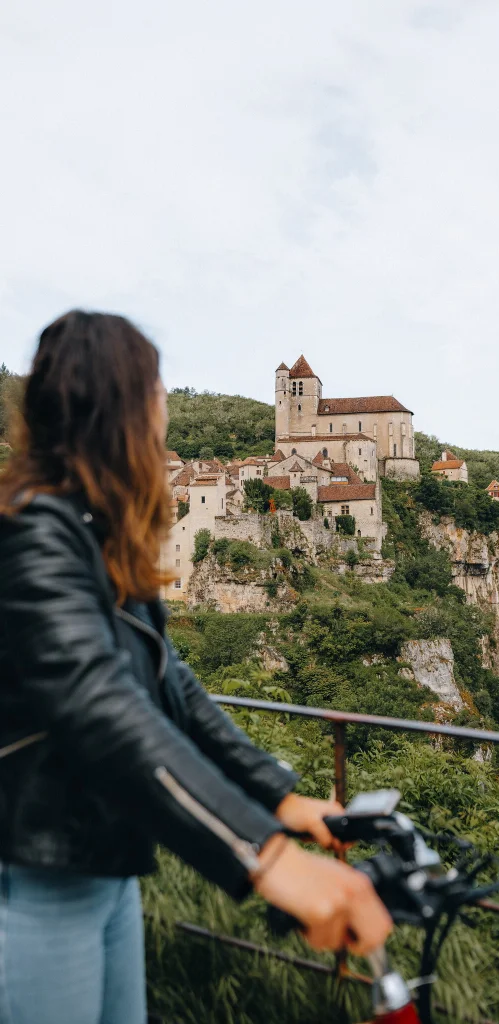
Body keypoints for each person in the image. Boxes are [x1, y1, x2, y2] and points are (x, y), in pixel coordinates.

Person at [0, 310, 392, 1024]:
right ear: (119, 405)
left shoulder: (98, 536)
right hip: (30, 879)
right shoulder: (30, 535)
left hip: (103, 865)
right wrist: (265, 857)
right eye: (153, 393)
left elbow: (172, 688)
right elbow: (98, 708)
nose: (164, 411)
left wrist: (279, 799)